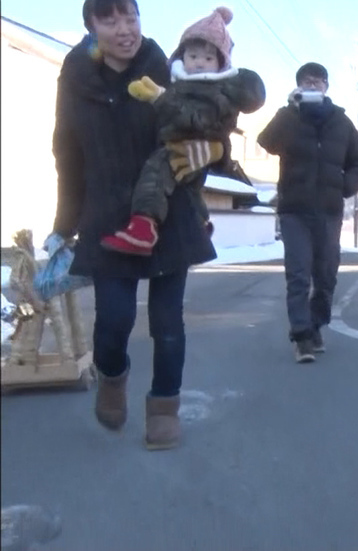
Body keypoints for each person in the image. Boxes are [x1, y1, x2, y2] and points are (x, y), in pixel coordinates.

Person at [47, 0, 219, 450]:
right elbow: (68, 154)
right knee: (114, 320)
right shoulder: (75, 80)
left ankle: (164, 406)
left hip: (168, 210)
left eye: (131, 16)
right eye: (110, 19)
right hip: (106, 214)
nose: (125, 29)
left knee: (167, 322)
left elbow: (201, 130)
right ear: (90, 28)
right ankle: (112, 375)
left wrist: (204, 160)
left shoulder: (169, 69)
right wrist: (64, 224)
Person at [100, 6, 266, 256]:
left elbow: (200, 120)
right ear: (181, 56)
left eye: (209, 59)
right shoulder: (180, 84)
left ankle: (144, 226)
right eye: (193, 56)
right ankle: (200, 223)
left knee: (156, 173)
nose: (199, 63)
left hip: (190, 148)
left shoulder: (217, 91)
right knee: (190, 188)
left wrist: (160, 98)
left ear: (220, 64)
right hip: (183, 148)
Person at [257, 62, 358, 363]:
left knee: (326, 275)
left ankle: (316, 324)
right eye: (307, 82)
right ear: (298, 86)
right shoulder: (289, 118)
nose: (313, 86)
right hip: (294, 210)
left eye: (319, 81)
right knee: (298, 274)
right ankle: (302, 336)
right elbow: (265, 142)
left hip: (329, 212)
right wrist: (288, 109)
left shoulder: (341, 122)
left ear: (327, 87)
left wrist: (344, 186)